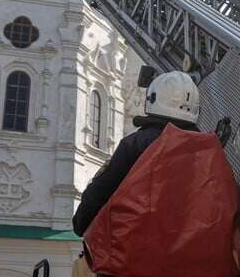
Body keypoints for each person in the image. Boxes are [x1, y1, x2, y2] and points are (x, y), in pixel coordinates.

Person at [72, 70, 200, 237]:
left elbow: (101, 191)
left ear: (152, 99)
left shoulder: (135, 145)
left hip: (137, 252)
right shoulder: (206, 150)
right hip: (191, 250)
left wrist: (81, 222)